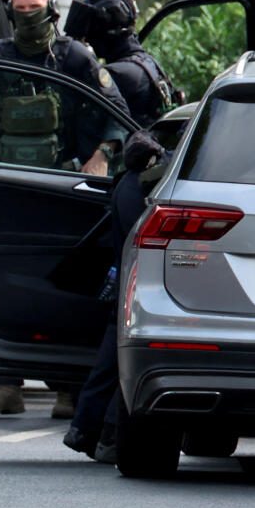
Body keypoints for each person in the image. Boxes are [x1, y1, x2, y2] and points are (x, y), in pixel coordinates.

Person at [0, 0, 127, 418]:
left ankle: (68, 389)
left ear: (51, 11)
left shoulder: (75, 58)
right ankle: (4, 385)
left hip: (64, 193)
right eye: (19, 11)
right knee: (5, 285)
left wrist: (100, 158)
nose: (27, 18)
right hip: (9, 191)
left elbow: (116, 113)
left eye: (34, 9)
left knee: (66, 287)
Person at [65, 130, 166, 464]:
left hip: (123, 283)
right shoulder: (145, 191)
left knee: (107, 365)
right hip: (138, 288)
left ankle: (82, 429)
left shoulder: (123, 185)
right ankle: (107, 434)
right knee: (124, 366)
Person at [64, 0, 180, 125]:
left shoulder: (119, 74)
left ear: (106, 31)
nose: (88, 40)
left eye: (92, 32)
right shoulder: (146, 63)